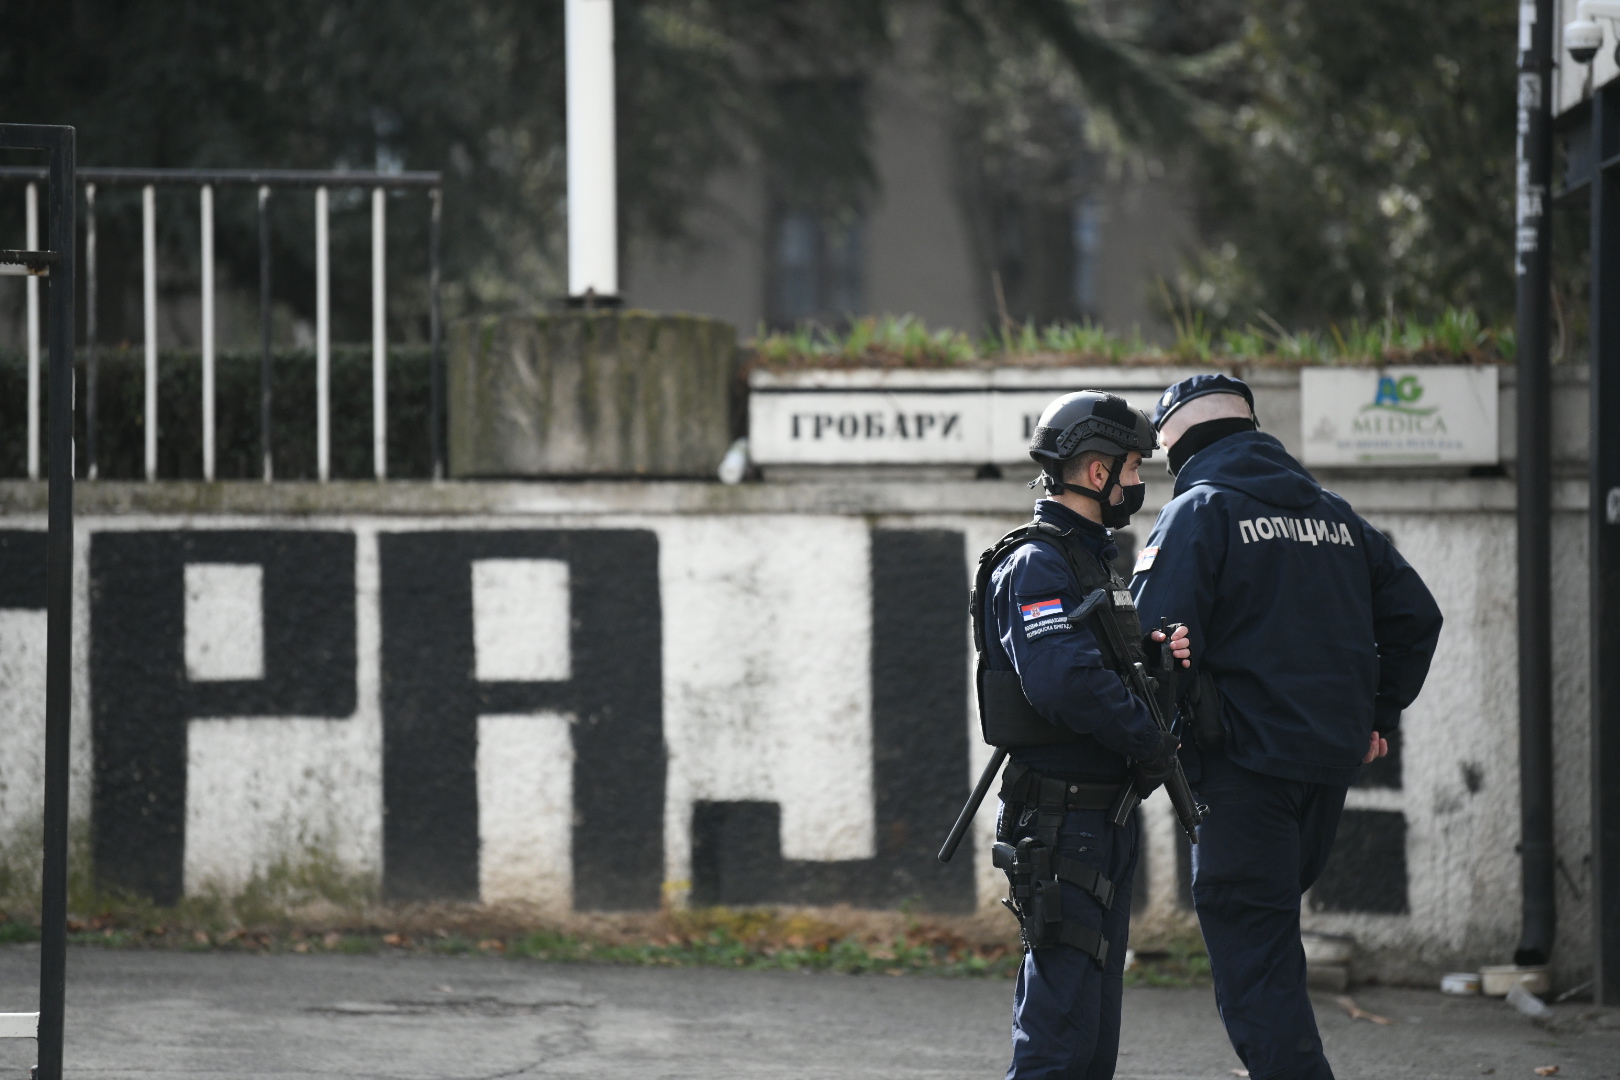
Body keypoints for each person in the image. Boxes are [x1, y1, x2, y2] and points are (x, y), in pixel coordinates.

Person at [1130, 374, 1443, 1080]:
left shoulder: (1199, 510)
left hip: (1242, 770)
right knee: (1271, 935)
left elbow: (1154, 640)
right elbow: (1416, 619)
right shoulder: (1336, 517)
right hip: (1325, 767)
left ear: (1176, 444)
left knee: (1255, 951)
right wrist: (1374, 715)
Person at [974, 390, 1190, 1080]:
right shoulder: (1039, 564)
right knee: (1061, 1031)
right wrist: (1144, 737)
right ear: (1096, 473)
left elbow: (1101, 666)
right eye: (1132, 469)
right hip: (1065, 818)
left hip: (1100, 812)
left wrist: (1158, 663)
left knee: (1091, 1031)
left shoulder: (1086, 559)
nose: (1137, 483)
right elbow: (1062, 681)